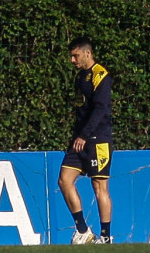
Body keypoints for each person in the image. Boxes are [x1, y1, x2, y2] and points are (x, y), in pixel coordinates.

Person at [58, 36, 114, 244]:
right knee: (64, 180)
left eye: (76, 55)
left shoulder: (101, 75)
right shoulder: (80, 77)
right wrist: (77, 135)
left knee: (99, 187)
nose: (73, 60)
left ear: (87, 53)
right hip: (79, 140)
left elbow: (100, 109)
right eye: (71, 56)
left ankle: (106, 237)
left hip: (98, 139)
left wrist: (85, 135)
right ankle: (82, 229)